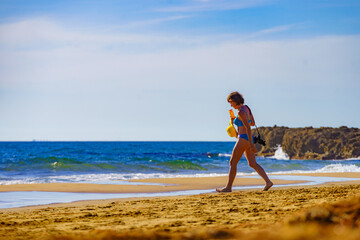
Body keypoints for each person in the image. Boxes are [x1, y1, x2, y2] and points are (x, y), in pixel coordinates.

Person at [216, 92, 273, 192]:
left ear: (236, 101)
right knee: (252, 163)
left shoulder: (240, 112)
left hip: (243, 139)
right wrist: (236, 120)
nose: (231, 105)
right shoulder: (246, 108)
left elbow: (248, 127)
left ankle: (228, 187)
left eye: (231, 102)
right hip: (247, 138)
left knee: (232, 162)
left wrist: (251, 145)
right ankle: (268, 182)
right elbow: (252, 123)